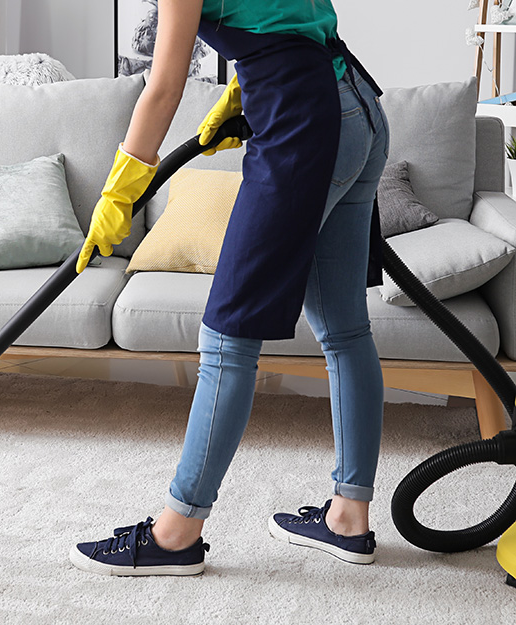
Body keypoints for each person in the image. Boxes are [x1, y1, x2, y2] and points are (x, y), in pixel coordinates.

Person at [69, 0, 390, 576]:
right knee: (344, 327)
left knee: (227, 337)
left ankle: (175, 534)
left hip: (303, 125)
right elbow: (294, 22)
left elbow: (164, 85)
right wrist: (246, 88)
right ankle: (348, 515)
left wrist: (118, 192)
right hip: (355, 108)